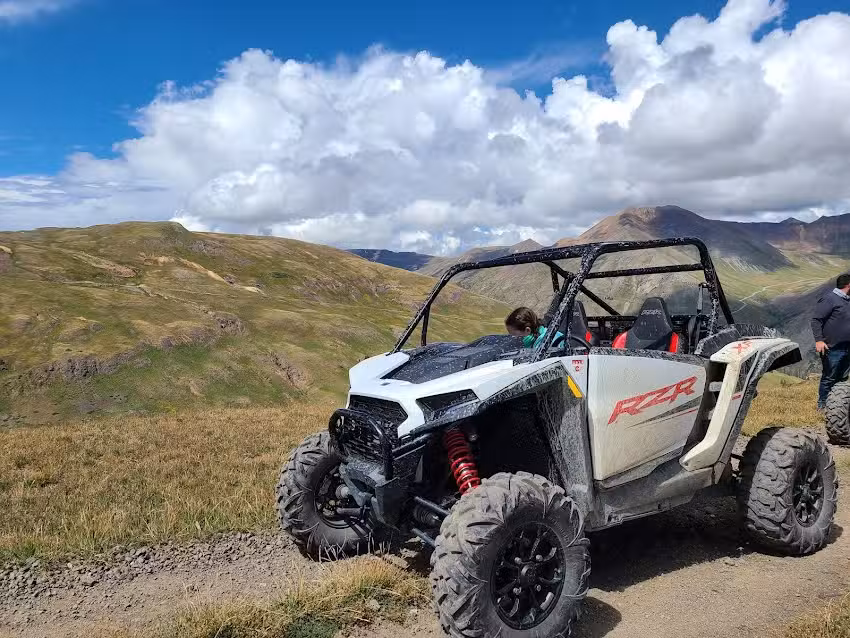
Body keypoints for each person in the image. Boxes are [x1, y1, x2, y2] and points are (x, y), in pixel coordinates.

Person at [812, 273, 850, 410]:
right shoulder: (830, 299)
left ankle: (838, 406)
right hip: (832, 347)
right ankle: (822, 406)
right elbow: (816, 320)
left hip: (847, 347)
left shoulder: (847, 300)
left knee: (842, 377)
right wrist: (819, 340)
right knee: (829, 377)